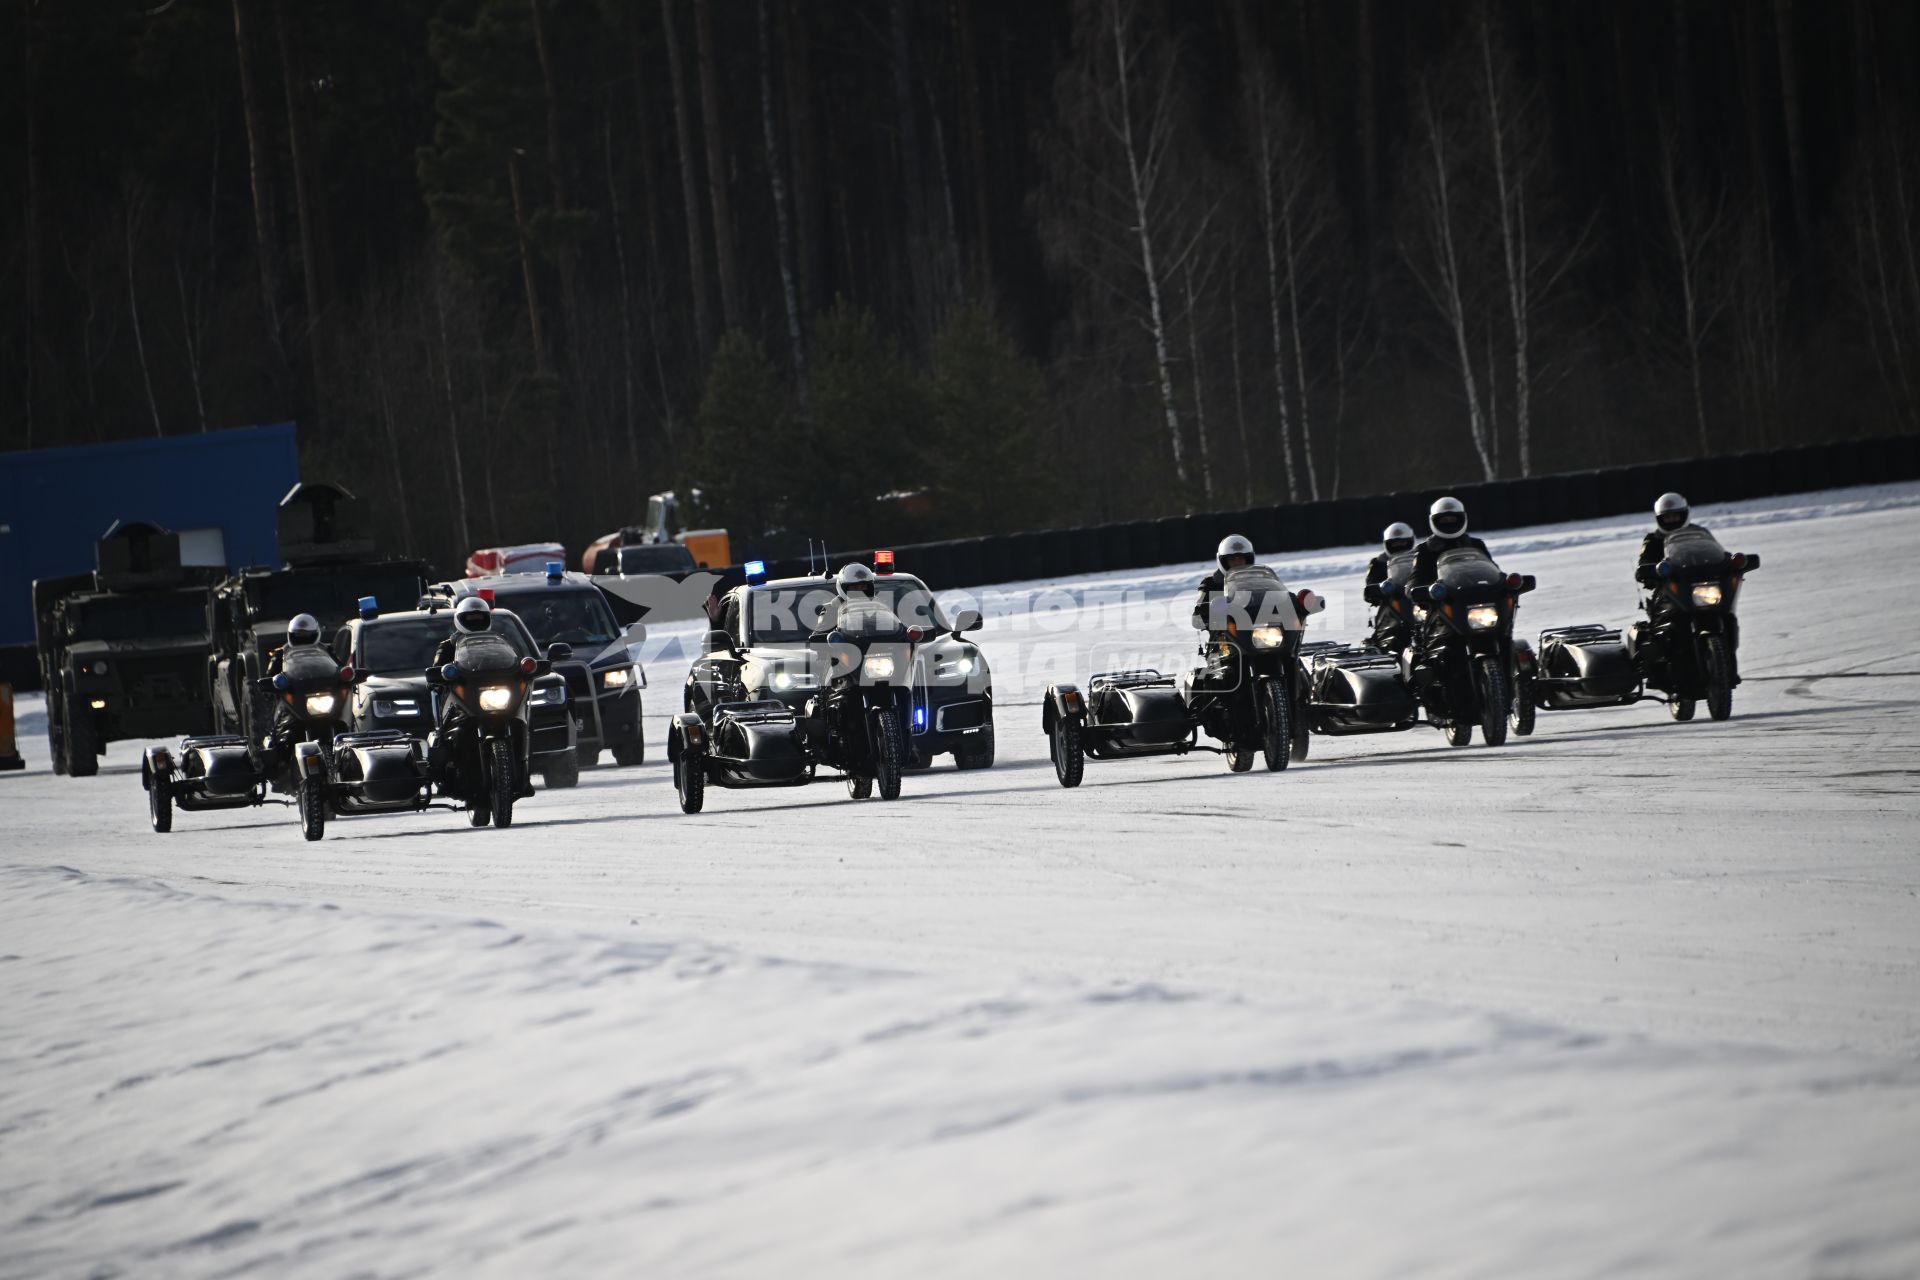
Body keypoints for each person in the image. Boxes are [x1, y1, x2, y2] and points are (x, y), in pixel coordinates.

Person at [1632, 492, 1740, 679]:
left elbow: (1715, 552)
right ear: (1659, 519)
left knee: (1727, 617)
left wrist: (1732, 562)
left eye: (1675, 515)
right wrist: (1647, 572)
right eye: (1667, 517)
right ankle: (1667, 666)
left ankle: (1727, 665)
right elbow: (1644, 563)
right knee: (1668, 626)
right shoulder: (1653, 540)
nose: (1671, 519)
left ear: (1684, 514)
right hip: (1669, 590)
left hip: (1700, 586)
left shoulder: (1700, 533)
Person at [1408, 497, 1493, 588]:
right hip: (1442, 598)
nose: (1449, 523)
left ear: (1462, 518)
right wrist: (1421, 591)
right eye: (1444, 520)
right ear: (1433, 521)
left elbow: (1493, 572)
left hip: (1478, 594)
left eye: (1453, 519)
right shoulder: (1424, 549)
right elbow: (1415, 581)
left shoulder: (1476, 544)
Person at [1363, 524, 1418, 651]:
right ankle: (1381, 643)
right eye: (1394, 544)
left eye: (1402, 542)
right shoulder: (1378, 563)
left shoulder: (1420, 558)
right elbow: (1371, 584)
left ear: (1410, 541)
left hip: (1416, 601)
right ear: (1387, 544)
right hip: (1392, 605)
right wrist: (1377, 591)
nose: (1399, 546)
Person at [1190, 534, 1258, 631]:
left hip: (1259, 634)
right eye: (1232, 559)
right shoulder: (1210, 583)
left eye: (1241, 559)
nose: (1237, 563)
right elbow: (1196, 619)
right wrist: (1209, 614)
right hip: (1224, 638)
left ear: (1248, 560)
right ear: (1224, 562)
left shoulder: (1258, 581)